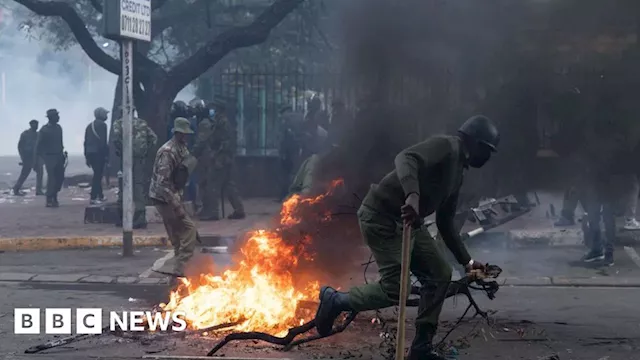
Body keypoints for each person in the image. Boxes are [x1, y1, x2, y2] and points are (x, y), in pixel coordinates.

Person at [313, 115, 498, 360]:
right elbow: (406, 157)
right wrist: (412, 195)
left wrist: (467, 262)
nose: (487, 157)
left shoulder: (458, 173)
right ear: (475, 143)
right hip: (382, 217)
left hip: (411, 223)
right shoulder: (447, 145)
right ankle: (335, 300)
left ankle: (421, 348)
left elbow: (445, 222)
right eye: (487, 150)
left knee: (440, 273)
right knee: (394, 288)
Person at [149, 117, 198, 278]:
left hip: (173, 195)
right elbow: (162, 184)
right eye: (183, 134)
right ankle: (182, 268)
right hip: (163, 198)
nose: (186, 136)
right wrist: (177, 206)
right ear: (177, 133)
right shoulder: (167, 152)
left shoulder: (182, 148)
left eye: (187, 134)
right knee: (189, 230)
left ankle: (179, 273)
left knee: (177, 234)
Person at [112, 109, 158, 229]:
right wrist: (146, 151)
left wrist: (121, 151)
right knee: (138, 186)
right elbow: (154, 138)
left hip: (126, 159)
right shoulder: (142, 123)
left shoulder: (119, 123)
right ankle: (140, 217)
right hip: (140, 159)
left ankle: (121, 216)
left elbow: (116, 139)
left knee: (124, 185)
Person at [205, 98, 245, 220]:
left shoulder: (221, 123)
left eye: (214, 108)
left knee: (213, 184)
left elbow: (225, 141)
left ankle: (213, 213)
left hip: (221, 158)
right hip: (225, 157)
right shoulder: (221, 121)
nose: (212, 110)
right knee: (229, 185)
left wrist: (216, 153)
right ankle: (239, 210)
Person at [35, 109, 66, 208]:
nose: (58, 117)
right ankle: (49, 198)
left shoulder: (59, 128)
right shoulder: (44, 130)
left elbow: (60, 142)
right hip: (49, 157)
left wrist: (63, 154)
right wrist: (41, 158)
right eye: (56, 116)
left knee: (59, 177)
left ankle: (54, 196)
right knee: (52, 178)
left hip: (59, 156)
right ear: (51, 117)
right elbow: (38, 146)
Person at [84, 107, 110, 204]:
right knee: (98, 176)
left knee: (97, 174)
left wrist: (86, 156)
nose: (107, 116)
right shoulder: (103, 125)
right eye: (105, 114)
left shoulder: (89, 126)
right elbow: (103, 142)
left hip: (90, 154)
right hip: (99, 153)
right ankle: (94, 197)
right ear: (101, 115)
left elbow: (85, 142)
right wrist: (106, 155)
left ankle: (100, 195)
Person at [13, 120, 44, 196]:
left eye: (37, 124)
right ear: (31, 125)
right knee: (24, 174)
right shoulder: (25, 134)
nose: (36, 126)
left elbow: (40, 146)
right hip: (28, 157)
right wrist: (23, 157)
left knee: (40, 173)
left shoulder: (38, 135)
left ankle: (38, 190)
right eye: (34, 124)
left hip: (36, 157)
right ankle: (16, 189)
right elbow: (20, 147)